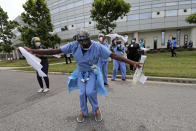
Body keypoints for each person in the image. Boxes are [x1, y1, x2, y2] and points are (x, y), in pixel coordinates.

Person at [25, 30, 142, 123]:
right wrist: (33, 51)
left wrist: (132, 62)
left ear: (88, 39)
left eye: (85, 42)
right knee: (82, 93)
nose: (83, 44)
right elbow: (56, 50)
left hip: (92, 71)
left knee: (90, 92)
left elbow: (113, 55)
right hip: (81, 72)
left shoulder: (97, 46)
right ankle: (83, 111)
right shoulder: (74, 45)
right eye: (81, 42)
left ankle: (96, 109)